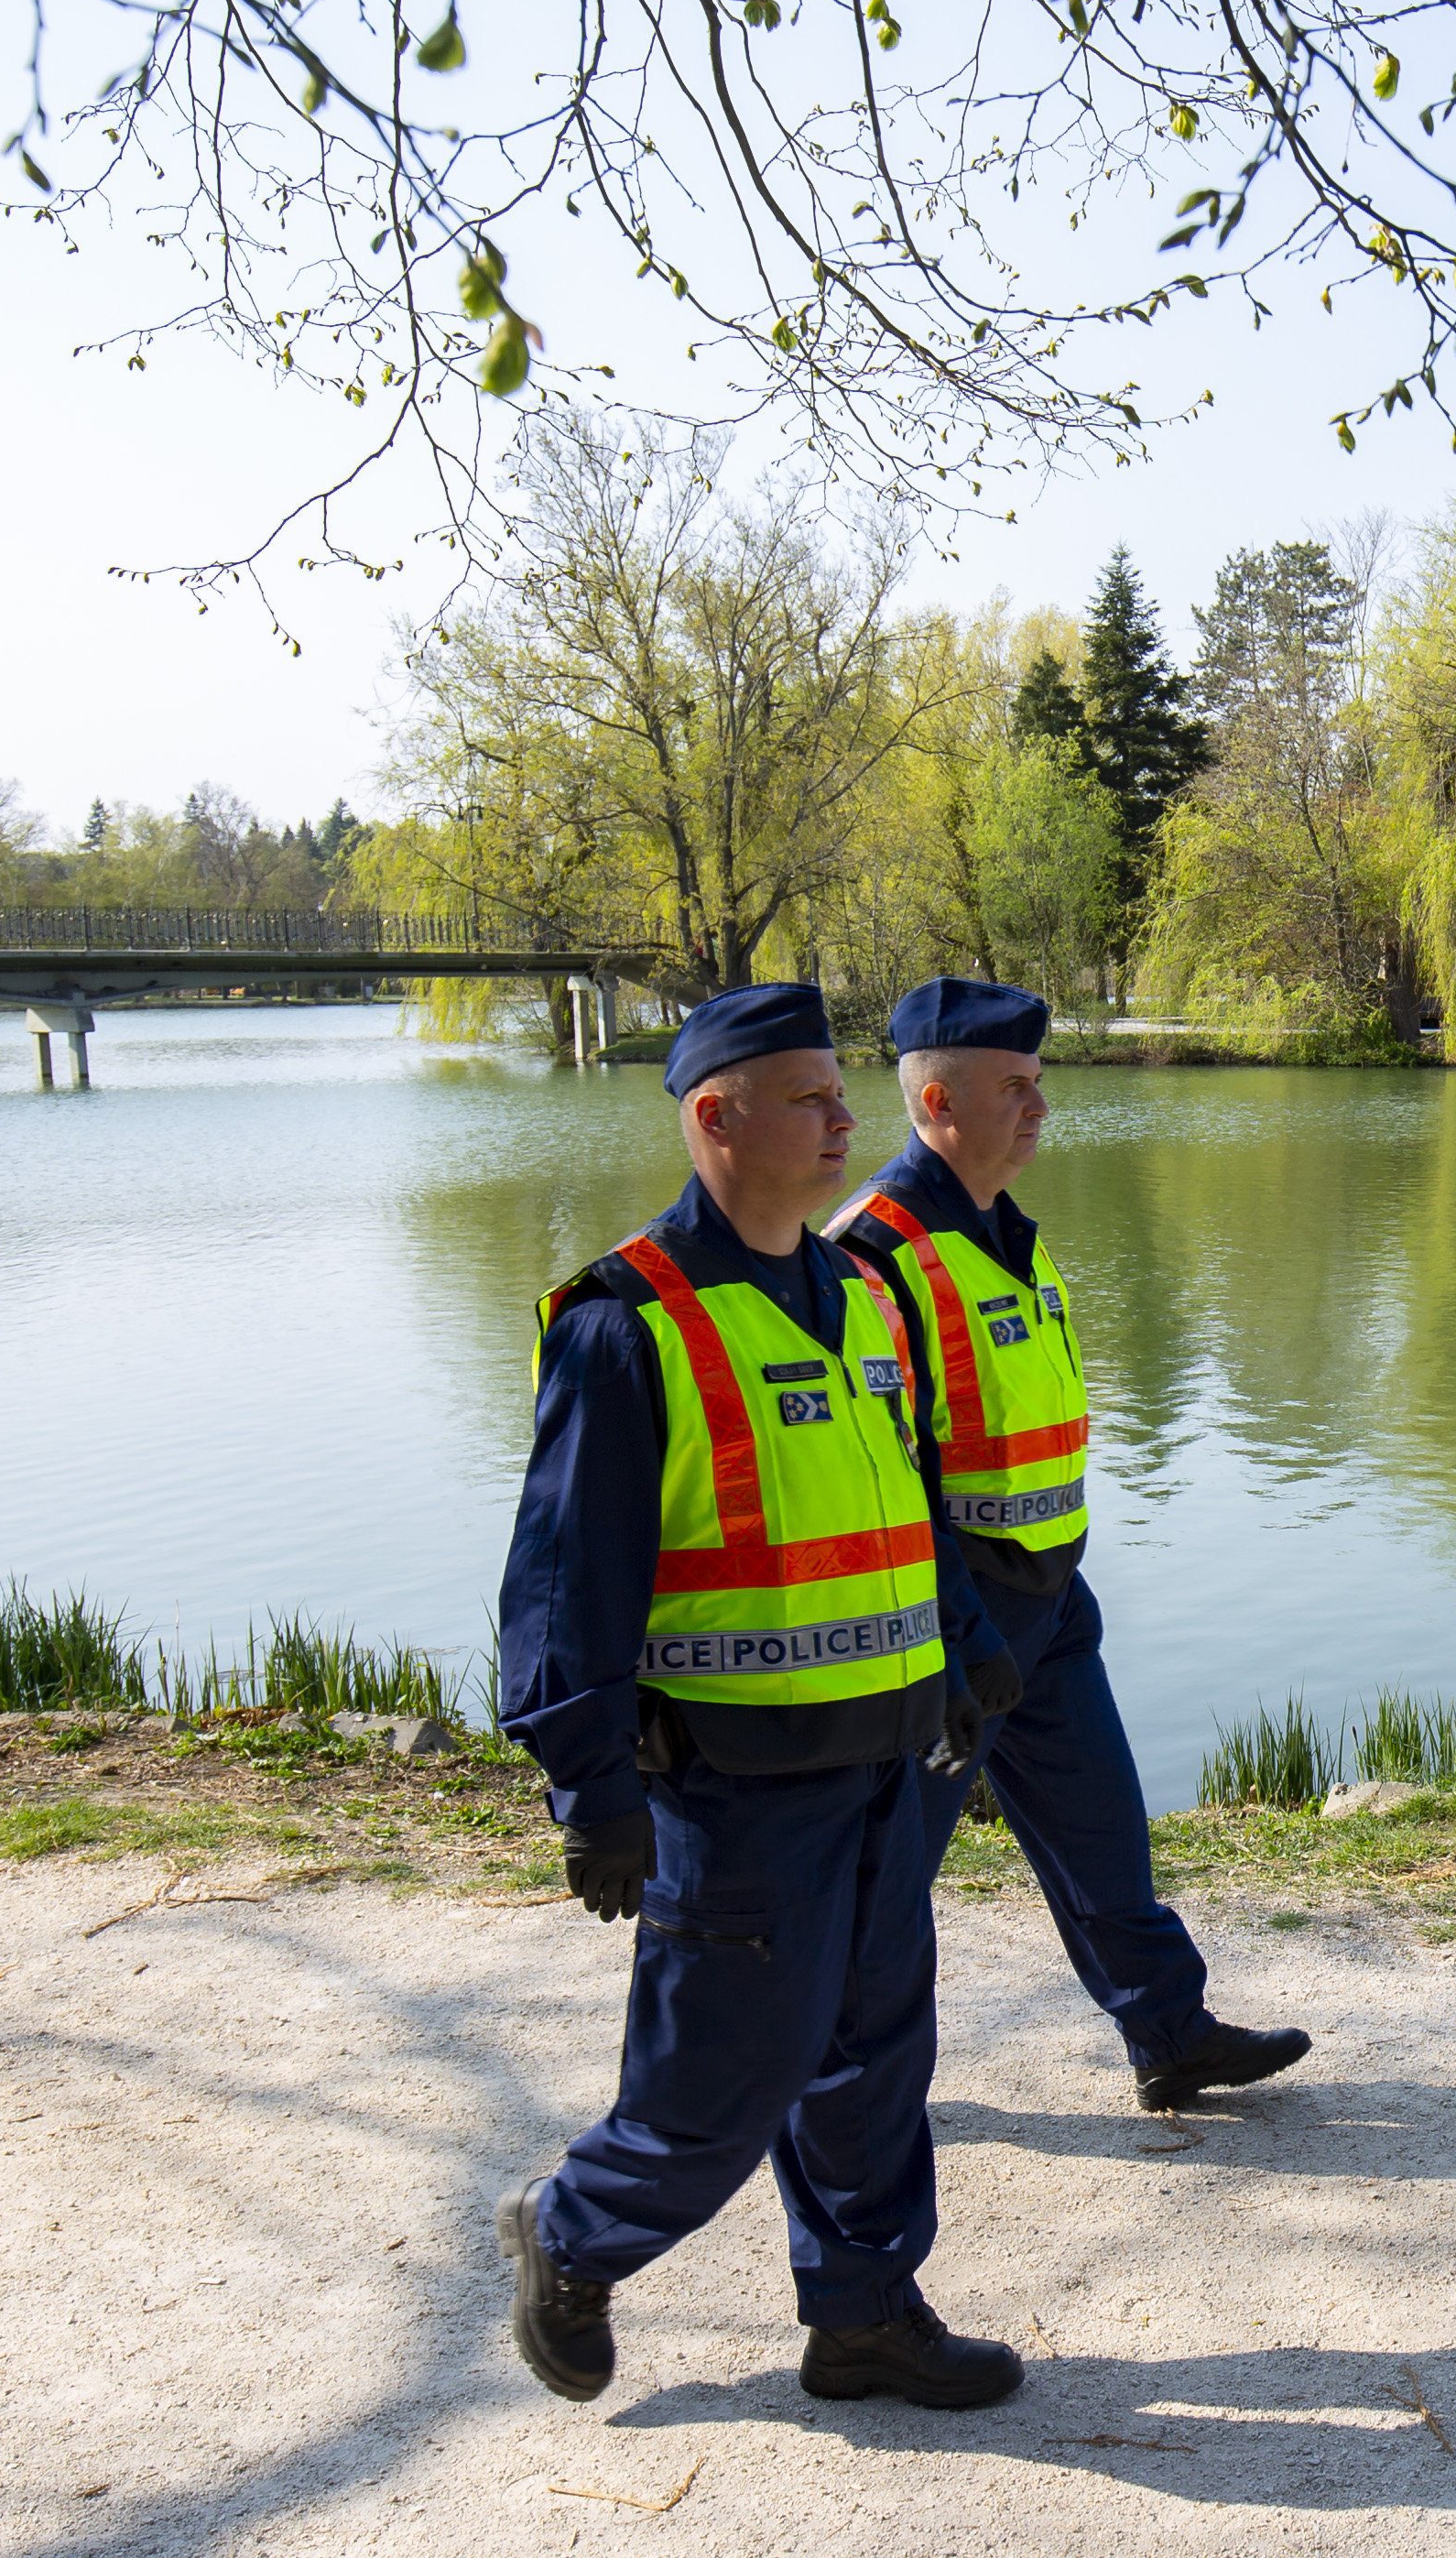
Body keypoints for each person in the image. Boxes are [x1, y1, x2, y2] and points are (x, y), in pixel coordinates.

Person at [488, 981, 1029, 2412]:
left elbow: (905, 1498)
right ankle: (571, 2232)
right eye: (810, 1099)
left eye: (844, 1094)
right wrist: (591, 1788)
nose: (846, 1120)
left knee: (875, 2054)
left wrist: (965, 1648)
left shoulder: (861, 1296)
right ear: (717, 1120)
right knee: (730, 2073)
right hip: (735, 1784)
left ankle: (864, 2313)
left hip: (887, 1751)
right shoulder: (628, 1324)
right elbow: (565, 1581)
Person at [836, 975, 1314, 2114]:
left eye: (1038, 1083)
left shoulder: (1007, 1234)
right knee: (883, 1869)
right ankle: (832, 2083)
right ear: (938, 1101)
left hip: (1049, 1600)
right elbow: (882, 1473)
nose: (1040, 1107)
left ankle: (1169, 2032)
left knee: (1102, 1833)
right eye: (1014, 1087)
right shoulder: (874, 1253)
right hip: (949, 1620)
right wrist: (956, 1629)